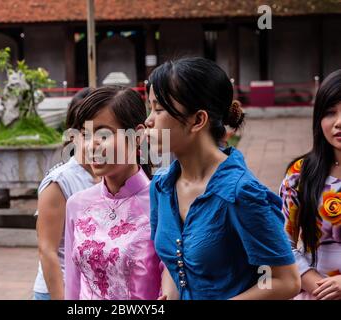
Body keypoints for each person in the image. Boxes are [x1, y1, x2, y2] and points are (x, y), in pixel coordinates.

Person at [146, 57, 301, 300]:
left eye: (158, 109)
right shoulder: (161, 186)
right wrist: (169, 293)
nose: (148, 121)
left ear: (198, 120)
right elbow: (173, 260)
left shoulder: (240, 193)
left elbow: (286, 280)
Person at [64, 86, 162, 300]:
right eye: (85, 135)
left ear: (137, 136)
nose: (91, 146)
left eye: (103, 134)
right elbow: (71, 286)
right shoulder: (77, 205)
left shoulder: (162, 204)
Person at [33, 88, 100, 300]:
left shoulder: (109, 177)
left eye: (102, 131)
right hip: (59, 290)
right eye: (86, 132)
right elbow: (47, 251)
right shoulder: (59, 182)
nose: (95, 141)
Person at [280, 69, 341, 300]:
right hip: (315, 291)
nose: (339, 123)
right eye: (330, 113)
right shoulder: (300, 174)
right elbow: (282, 243)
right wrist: (320, 287)